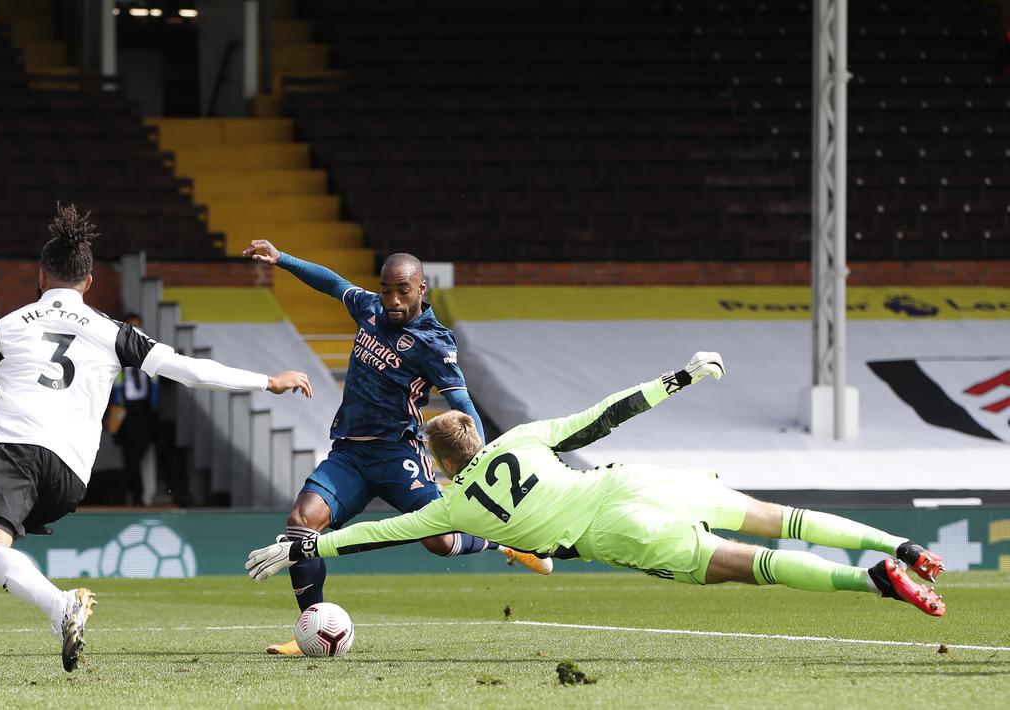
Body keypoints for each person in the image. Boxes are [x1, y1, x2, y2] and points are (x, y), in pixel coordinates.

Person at [0, 204, 314, 679]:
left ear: (41, 277)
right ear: (89, 282)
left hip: (15, 449)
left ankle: (61, 606)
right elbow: (188, 369)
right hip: (71, 476)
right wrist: (266, 380)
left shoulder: (9, 327)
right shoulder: (112, 331)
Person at [247, 351, 947, 618]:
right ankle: (901, 543)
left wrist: (308, 547)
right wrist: (679, 376)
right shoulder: (520, 438)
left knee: (749, 567)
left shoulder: (457, 505)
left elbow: (377, 532)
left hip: (610, 531)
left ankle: (871, 582)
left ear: (436, 464)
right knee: (778, 517)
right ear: (479, 436)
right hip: (630, 480)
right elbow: (602, 416)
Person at [241, 240, 552, 656]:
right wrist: (282, 259)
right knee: (301, 521)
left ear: (422, 289)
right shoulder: (369, 308)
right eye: (387, 289)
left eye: (402, 290)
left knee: (439, 542)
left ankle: (506, 544)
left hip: (398, 455)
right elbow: (334, 283)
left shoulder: (434, 344)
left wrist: (480, 460)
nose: (392, 299)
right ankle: (310, 627)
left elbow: (462, 404)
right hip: (349, 454)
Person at [111, 313, 160, 506]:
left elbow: (155, 383)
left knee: (140, 449)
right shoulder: (118, 354)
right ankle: (134, 495)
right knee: (128, 450)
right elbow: (116, 385)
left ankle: (128, 491)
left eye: (139, 328)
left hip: (144, 409)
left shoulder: (149, 354)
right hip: (125, 409)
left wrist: (155, 407)